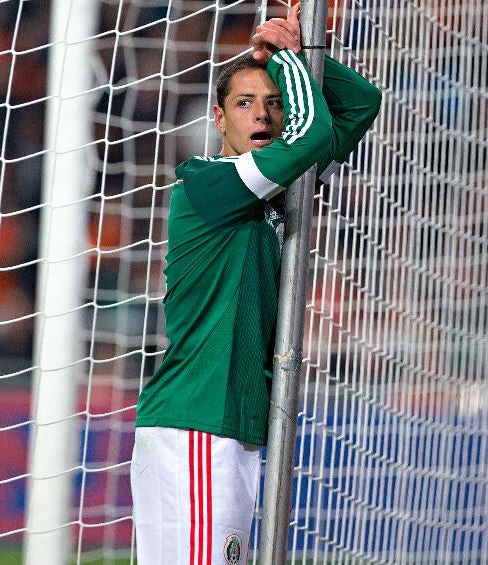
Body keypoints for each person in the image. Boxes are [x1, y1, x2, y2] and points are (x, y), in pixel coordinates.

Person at [130, 5, 381, 564]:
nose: (261, 115)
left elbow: (362, 105)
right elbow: (314, 133)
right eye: (245, 103)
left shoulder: (277, 190)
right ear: (219, 119)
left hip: (232, 428)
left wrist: (305, 60)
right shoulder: (209, 182)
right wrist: (287, 56)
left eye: (274, 103)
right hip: (195, 425)